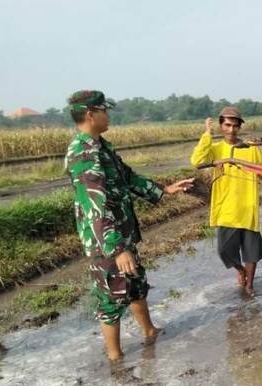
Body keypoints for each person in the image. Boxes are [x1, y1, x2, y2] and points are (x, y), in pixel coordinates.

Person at [64, 90, 194, 362]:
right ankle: (116, 358)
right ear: (90, 114)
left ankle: (149, 330)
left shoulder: (102, 146)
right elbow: (94, 208)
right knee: (111, 298)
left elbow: (128, 178)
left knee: (135, 284)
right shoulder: (84, 154)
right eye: (104, 111)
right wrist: (117, 249)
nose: (108, 115)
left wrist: (163, 191)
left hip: (123, 234)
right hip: (107, 244)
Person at [190, 107, 262, 296]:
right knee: (224, 250)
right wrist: (207, 134)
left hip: (248, 206)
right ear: (221, 125)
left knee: (251, 251)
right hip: (227, 208)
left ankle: (250, 286)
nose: (231, 130)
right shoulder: (216, 149)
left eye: (235, 126)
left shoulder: (250, 148)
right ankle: (240, 270)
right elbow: (197, 160)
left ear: (240, 127)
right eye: (227, 125)